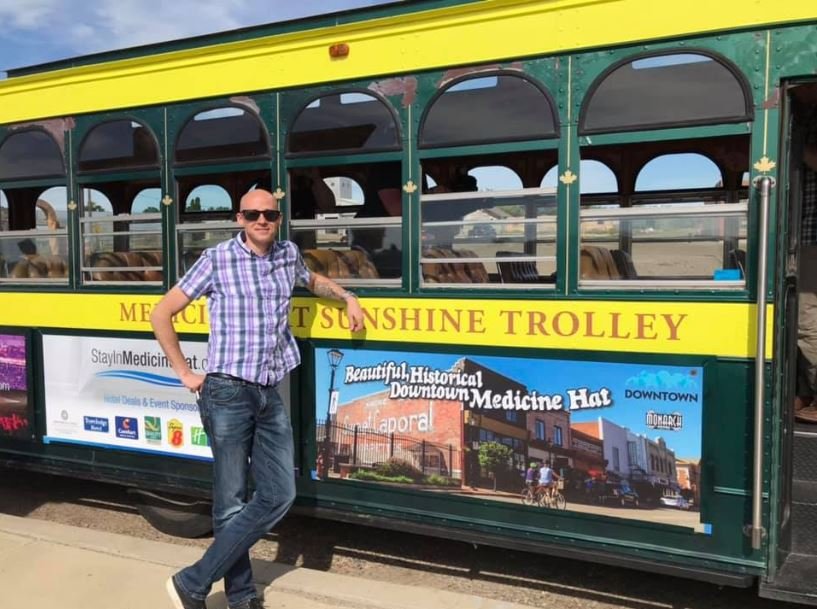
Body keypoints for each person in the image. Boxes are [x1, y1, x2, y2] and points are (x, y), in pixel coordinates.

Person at [151, 188, 364, 609]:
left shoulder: (287, 254)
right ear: (240, 218)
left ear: (279, 218)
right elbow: (162, 313)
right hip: (227, 391)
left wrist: (348, 297)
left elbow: (312, 279)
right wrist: (185, 373)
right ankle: (242, 596)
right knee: (230, 502)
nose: (262, 220)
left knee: (280, 493)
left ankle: (192, 581)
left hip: (268, 390)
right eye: (253, 214)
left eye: (269, 214)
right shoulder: (216, 259)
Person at [796, 89, 817, 423]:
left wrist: (792, 147)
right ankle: (804, 392)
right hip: (802, 239)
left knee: (806, 322)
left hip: (814, 240)